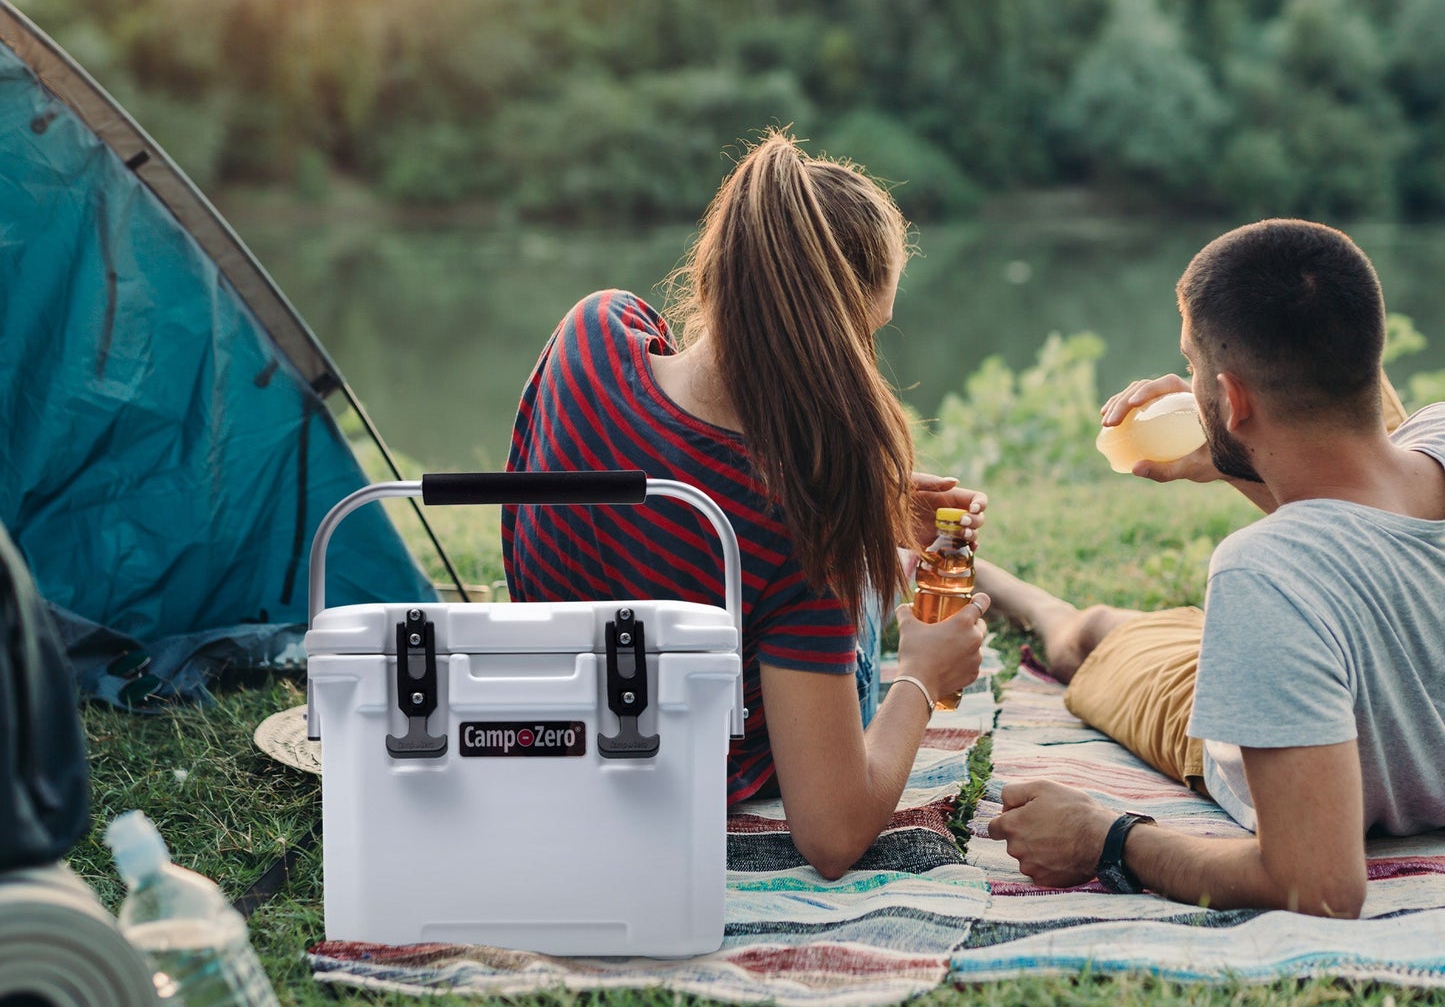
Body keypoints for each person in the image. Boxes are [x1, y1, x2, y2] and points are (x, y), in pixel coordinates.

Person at [502, 131, 991, 879]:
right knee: (865, 590)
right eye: (867, 332)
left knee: (848, 562)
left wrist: (877, 507)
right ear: (832, 334)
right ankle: (891, 582)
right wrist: (922, 675)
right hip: (685, 763)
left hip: (558, 711)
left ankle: (885, 562)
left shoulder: (593, 332)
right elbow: (830, 834)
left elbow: (675, 464)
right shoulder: (803, 512)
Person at [982, 218, 1445, 917]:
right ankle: (990, 576)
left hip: (1241, 732)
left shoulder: (1263, 575)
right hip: (1325, 647)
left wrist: (1106, 839)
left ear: (1230, 399)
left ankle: (998, 583)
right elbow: (1365, 517)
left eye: (1192, 368)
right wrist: (1232, 452)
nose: (1186, 385)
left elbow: (1317, 883)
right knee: (1118, 627)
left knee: (1088, 637)